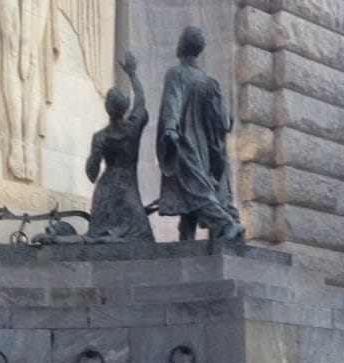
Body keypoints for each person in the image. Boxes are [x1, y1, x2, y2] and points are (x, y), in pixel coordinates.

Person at [156, 25, 245, 241]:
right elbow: (222, 121)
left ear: (182, 45)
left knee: (196, 191)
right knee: (189, 197)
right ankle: (186, 241)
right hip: (203, 148)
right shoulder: (209, 82)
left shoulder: (176, 74)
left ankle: (227, 225)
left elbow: (172, 102)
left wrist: (169, 128)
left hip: (184, 144)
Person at [85, 51, 154, 241]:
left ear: (107, 108)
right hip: (127, 190)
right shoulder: (134, 127)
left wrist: (95, 155)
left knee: (99, 240)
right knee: (141, 239)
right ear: (125, 108)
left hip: (106, 193)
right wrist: (132, 74)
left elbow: (91, 174)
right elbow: (140, 98)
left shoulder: (100, 138)